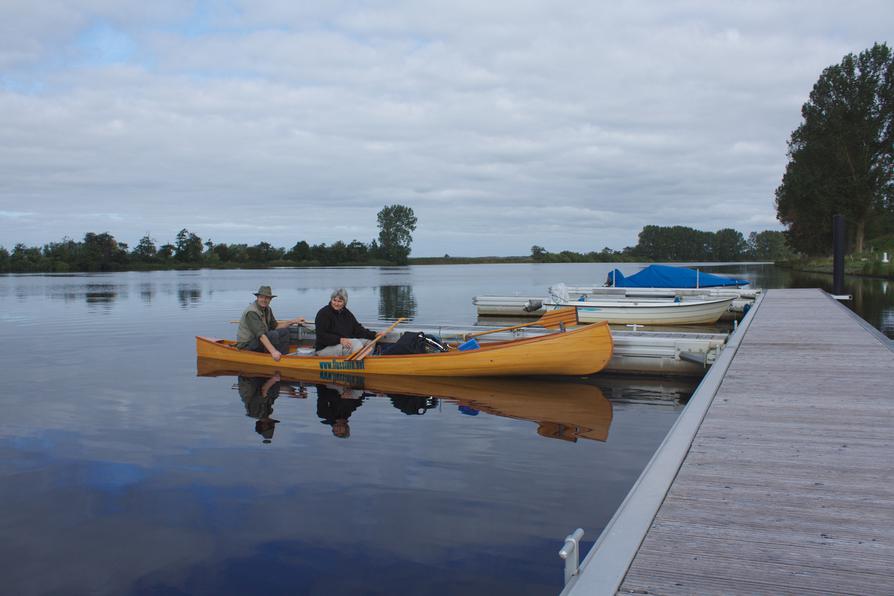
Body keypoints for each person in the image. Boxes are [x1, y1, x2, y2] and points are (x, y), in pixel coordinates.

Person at [236, 285, 304, 361]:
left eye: (267, 298)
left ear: (270, 299)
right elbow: (261, 335)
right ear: (257, 298)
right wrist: (273, 352)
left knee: (285, 331)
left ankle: (284, 356)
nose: (264, 300)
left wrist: (293, 321)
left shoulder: (267, 309)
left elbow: (275, 326)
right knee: (273, 335)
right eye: (262, 297)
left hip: (258, 341)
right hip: (246, 345)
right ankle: (273, 355)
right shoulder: (252, 312)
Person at [314, 288, 377, 356]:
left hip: (342, 343)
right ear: (331, 299)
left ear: (344, 302)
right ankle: (357, 364)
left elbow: (357, 329)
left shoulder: (346, 313)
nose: (336, 303)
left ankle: (366, 362)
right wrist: (339, 340)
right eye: (334, 300)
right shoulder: (323, 314)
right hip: (324, 349)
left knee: (369, 342)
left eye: (340, 301)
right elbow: (321, 336)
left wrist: (374, 334)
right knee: (356, 344)